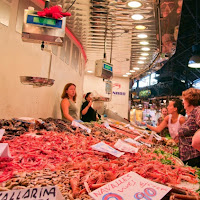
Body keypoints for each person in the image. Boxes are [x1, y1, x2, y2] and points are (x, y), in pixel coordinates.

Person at [178, 88, 200, 167]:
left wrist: (196, 141)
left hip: (195, 159)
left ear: (190, 99)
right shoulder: (191, 114)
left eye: (184, 99)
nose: (183, 101)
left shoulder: (198, 110)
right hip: (188, 159)